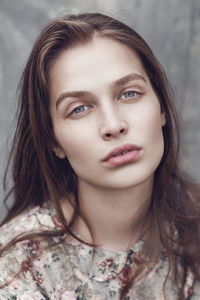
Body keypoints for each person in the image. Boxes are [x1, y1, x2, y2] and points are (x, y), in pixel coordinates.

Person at [0, 12, 200, 300]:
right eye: (79, 108)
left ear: (162, 109)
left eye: (129, 93)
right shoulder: (18, 268)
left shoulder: (192, 224)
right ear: (53, 141)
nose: (113, 125)